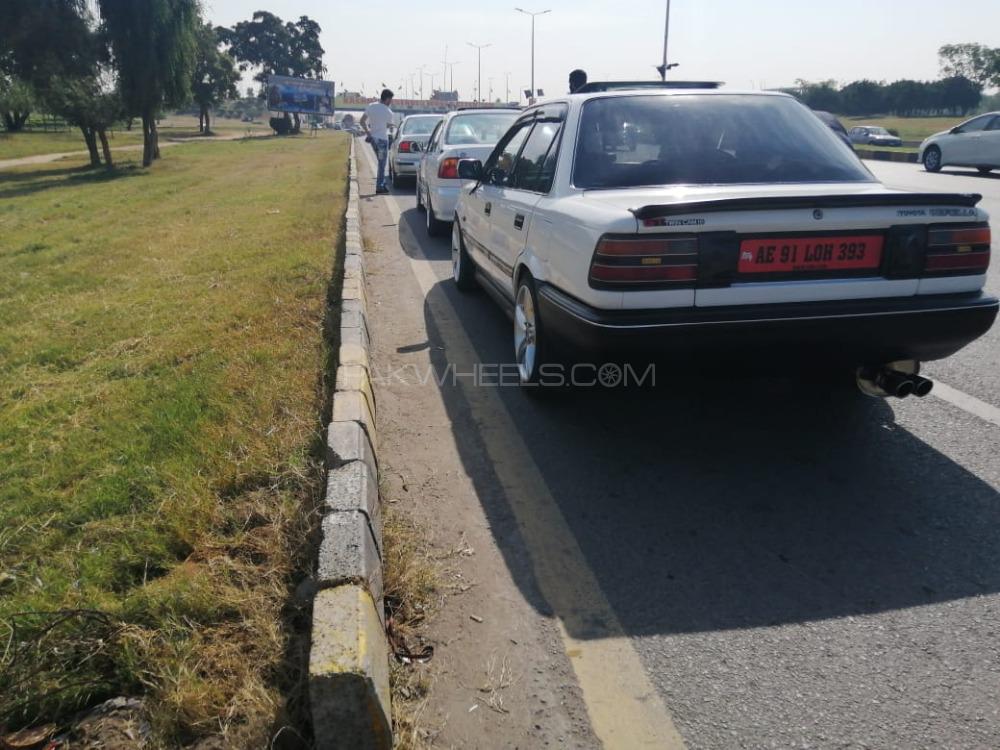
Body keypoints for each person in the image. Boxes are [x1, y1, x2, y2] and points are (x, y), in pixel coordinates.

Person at [361, 88, 394, 194]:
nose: (391, 102)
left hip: (373, 140)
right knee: (381, 164)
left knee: (380, 163)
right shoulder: (389, 112)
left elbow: (362, 121)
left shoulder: (371, 106)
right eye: (391, 100)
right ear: (388, 99)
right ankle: (379, 186)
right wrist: (391, 125)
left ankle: (382, 184)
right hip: (382, 141)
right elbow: (388, 126)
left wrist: (368, 133)